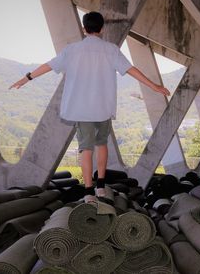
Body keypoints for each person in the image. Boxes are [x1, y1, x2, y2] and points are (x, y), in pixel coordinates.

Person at [10, 11, 170, 203]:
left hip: (81, 109)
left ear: (84, 29)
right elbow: (131, 70)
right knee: (102, 144)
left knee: (85, 148)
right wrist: (154, 86)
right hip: (102, 107)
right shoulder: (110, 50)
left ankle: (88, 191)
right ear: (101, 29)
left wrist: (26, 78)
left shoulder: (72, 50)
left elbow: (49, 65)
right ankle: (100, 187)